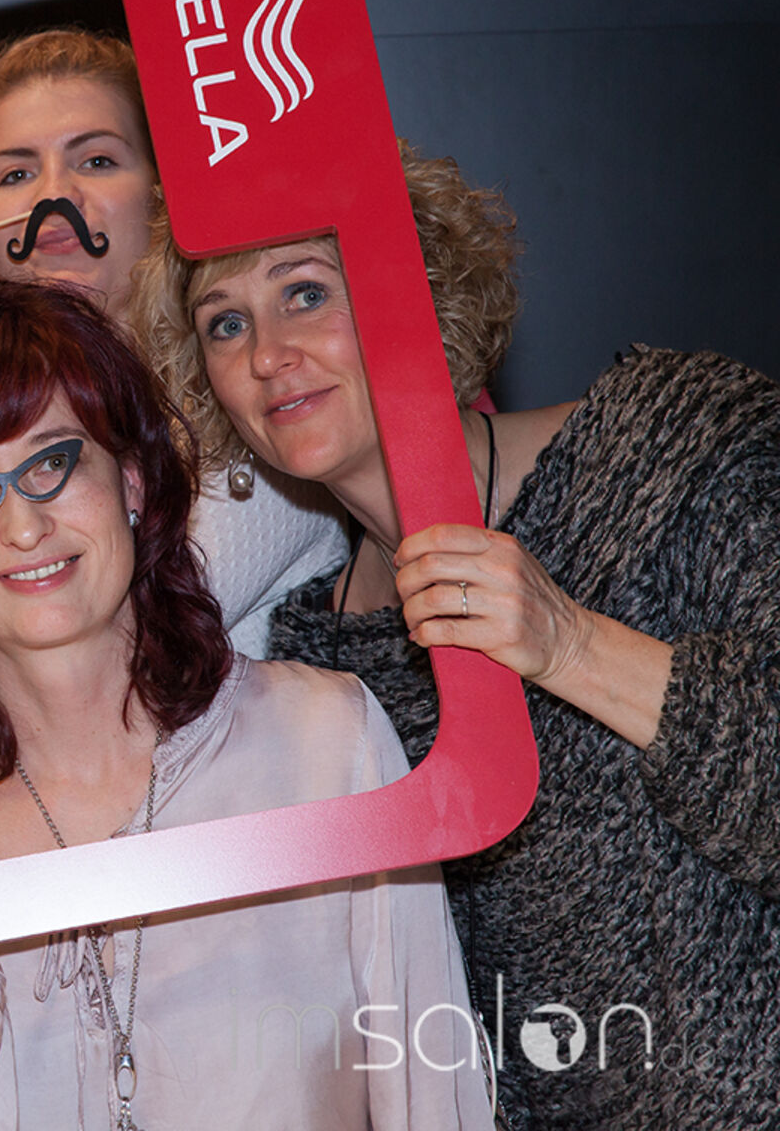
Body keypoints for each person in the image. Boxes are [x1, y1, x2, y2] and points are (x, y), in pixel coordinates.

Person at [141, 146, 780, 1128]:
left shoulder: (675, 440)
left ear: (418, 289)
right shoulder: (317, 666)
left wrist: (571, 644)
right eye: (225, 322)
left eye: (305, 293)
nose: (267, 354)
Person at [0, 281, 490, 1129]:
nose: (24, 526)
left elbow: (434, 1095)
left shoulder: (327, 739)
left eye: (53, 463)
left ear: (131, 479)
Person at [0, 28, 344, 657]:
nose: (53, 195)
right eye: (17, 173)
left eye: (97, 161)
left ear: (166, 198)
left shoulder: (250, 390)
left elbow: (101, 646)